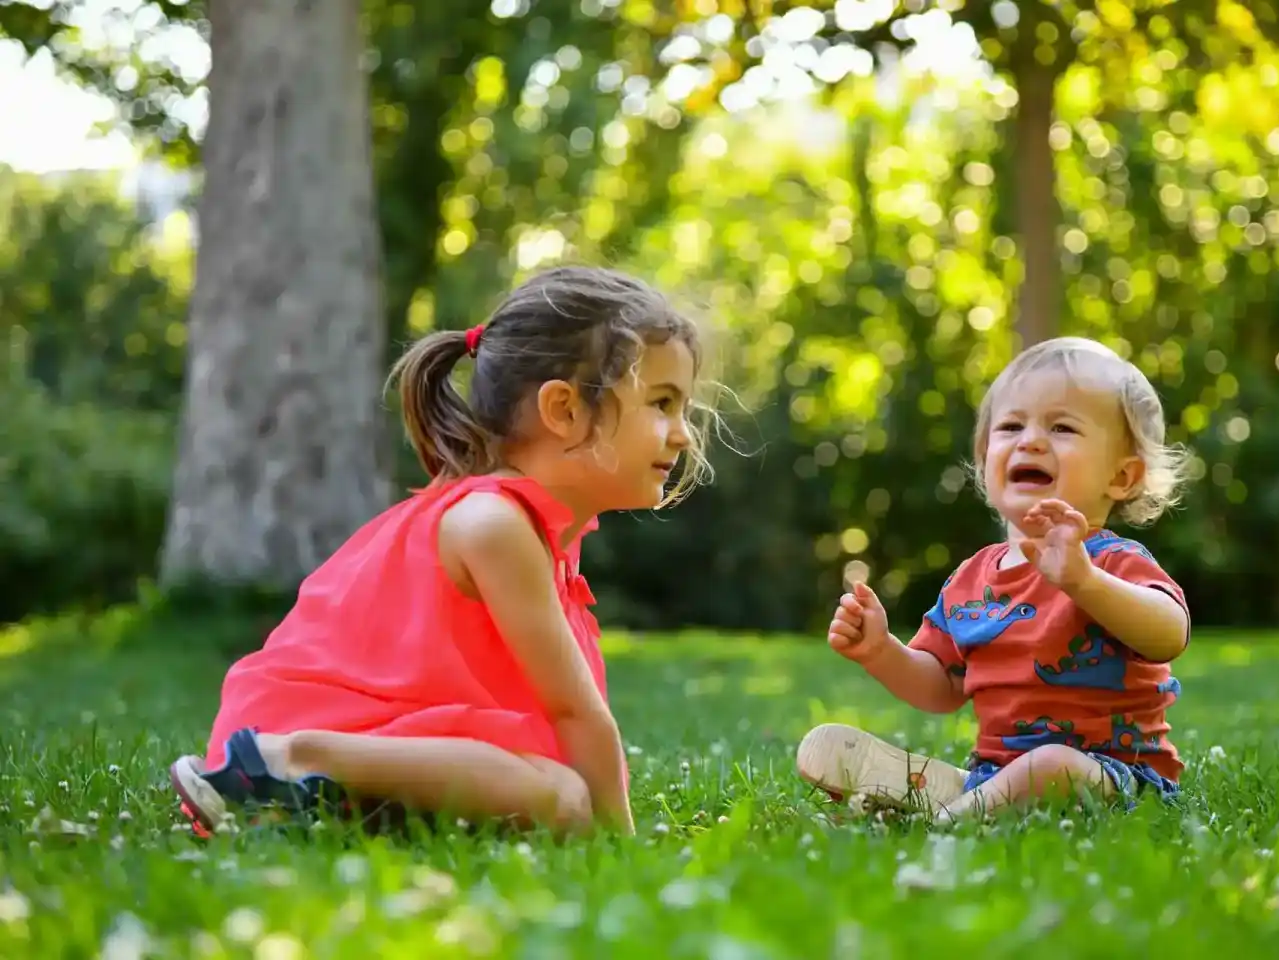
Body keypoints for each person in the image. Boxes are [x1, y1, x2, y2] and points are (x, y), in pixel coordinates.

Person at [170, 265, 716, 839]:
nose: (682, 433)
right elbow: (578, 716)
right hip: (306, 726)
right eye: (661, 403)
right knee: (562, 797)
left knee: (550, 791)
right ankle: (290, 762)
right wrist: (622, 848)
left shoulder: (532, 532)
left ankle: (301, 805)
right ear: (564, 410)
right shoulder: (494, 523)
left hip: (379, 737)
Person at [796, 336, 1194, 822]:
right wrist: (881, 652)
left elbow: (1169, 633)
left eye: (1062, 427)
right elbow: (942, 688)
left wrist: (1084, 581)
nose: (1029, 440)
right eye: (1010, 426)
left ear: (1122, 477)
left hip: (1115, 776)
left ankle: (948, 816)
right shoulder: (972, 579)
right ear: (986, 462)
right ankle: (972, 799)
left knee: (1049, 766)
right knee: (1023, 772)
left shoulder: (1111, 561)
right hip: (998, 771)